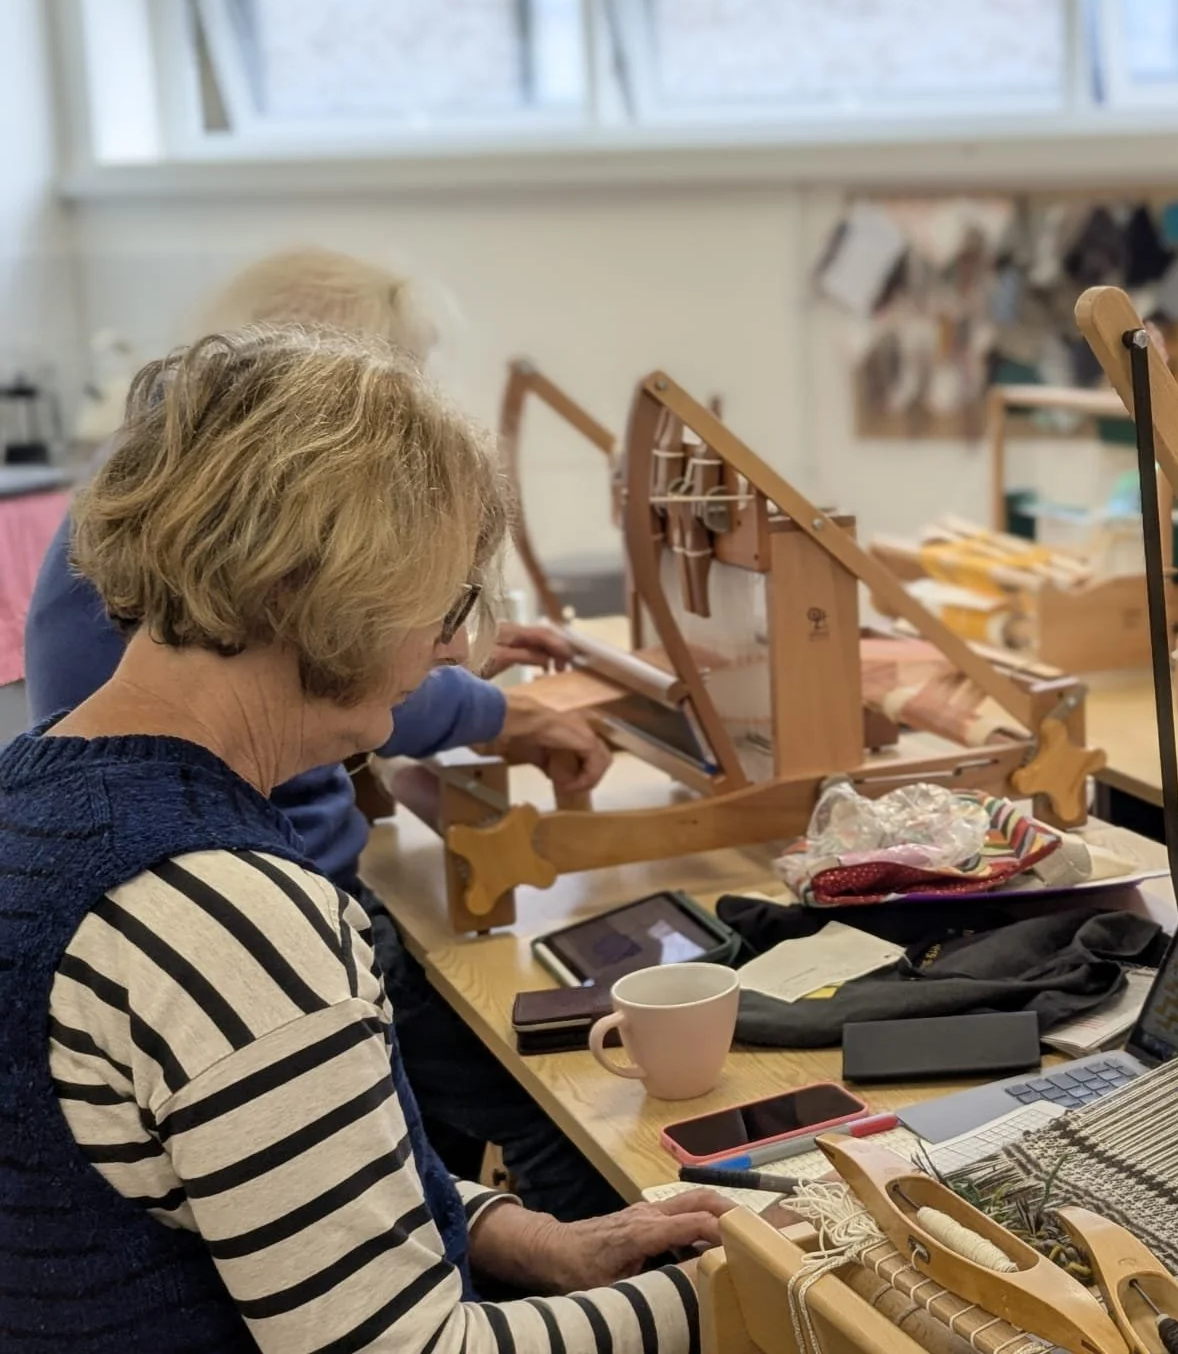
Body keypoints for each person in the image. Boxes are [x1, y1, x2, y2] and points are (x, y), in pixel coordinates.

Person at [2, 327, 732, 1350]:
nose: (444, 645)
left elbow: (274, 1199)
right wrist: (758, 1290)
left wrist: (532, 1241)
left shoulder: (32, 798)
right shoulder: (222, 915)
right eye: (436, 601)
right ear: (309, 588)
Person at [25, 248, 625, 1221]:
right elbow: (347, 674)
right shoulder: (242, 913)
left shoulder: (160, 499)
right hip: (272, 895)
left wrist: (441, 651)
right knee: (546, 1097)